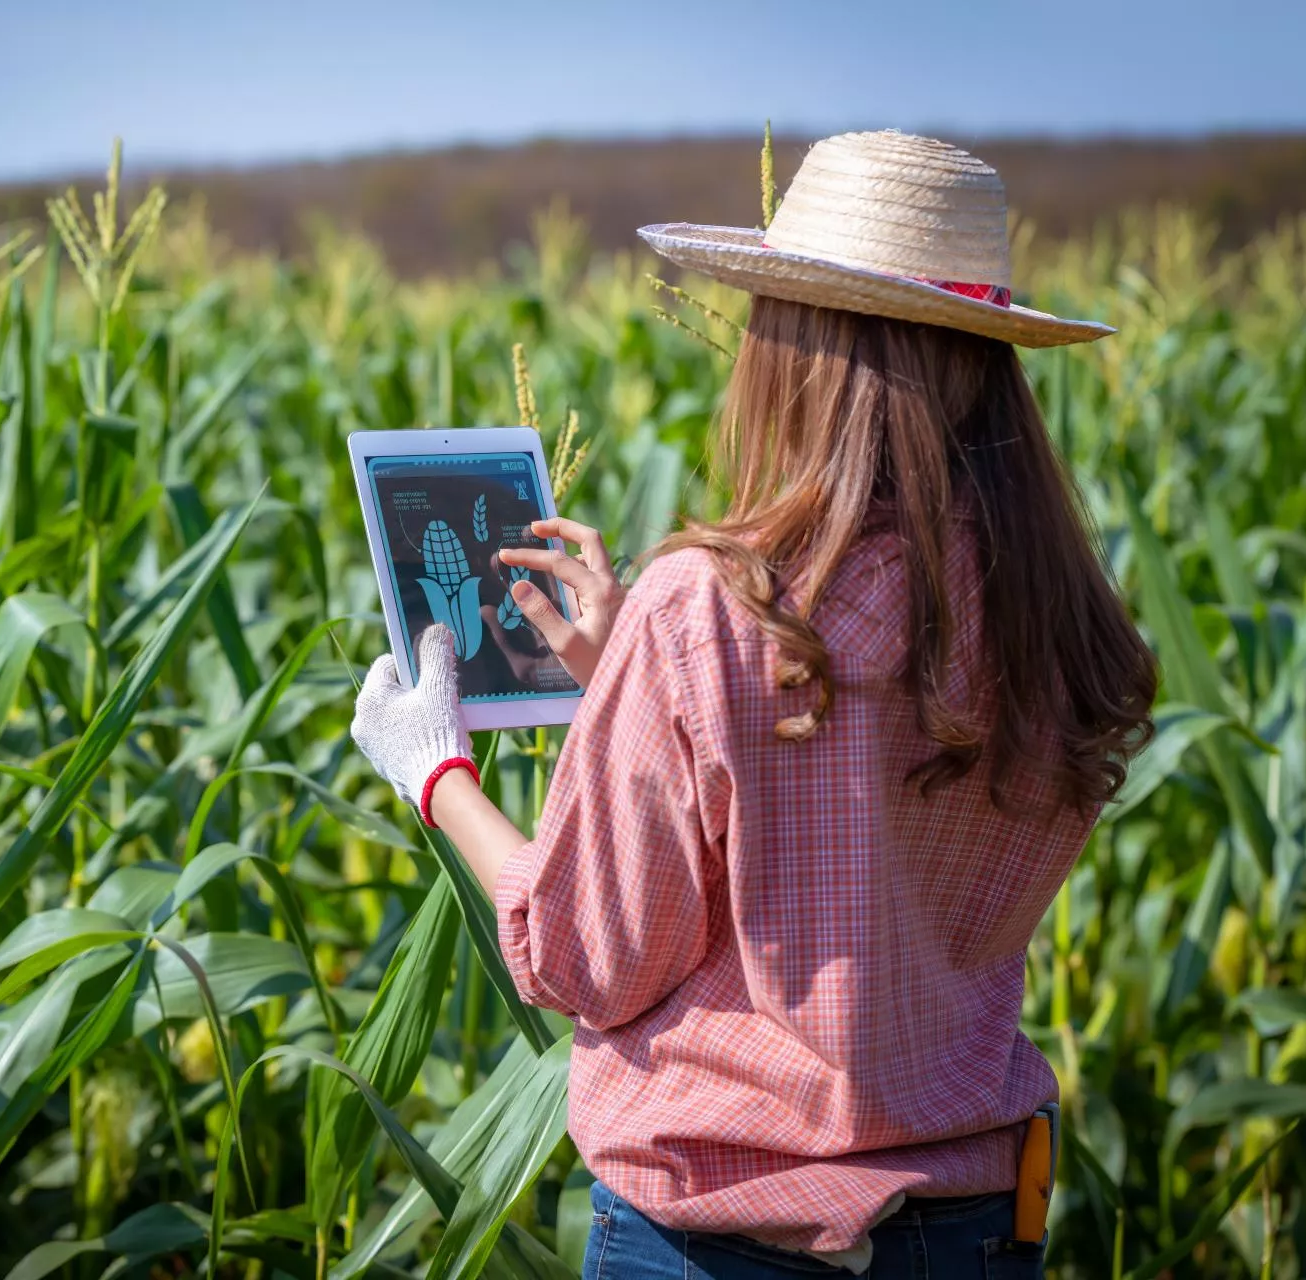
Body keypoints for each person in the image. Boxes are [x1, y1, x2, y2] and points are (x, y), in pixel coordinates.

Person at [349, 130, 1157, 1280]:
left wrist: (434, 769)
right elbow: (859, 788)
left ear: (799, 350)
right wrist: (634, 681)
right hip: (976, 1228)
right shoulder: (1049, 617)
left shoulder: (706, 613)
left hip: (724, 1241)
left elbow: (579, 959)